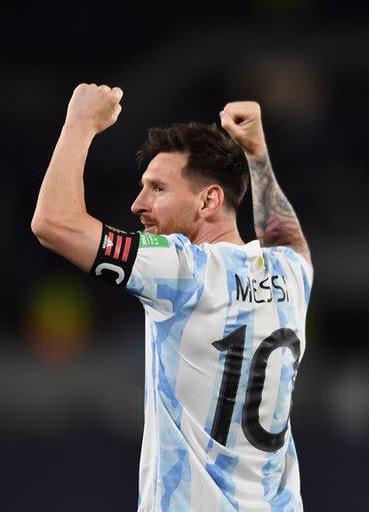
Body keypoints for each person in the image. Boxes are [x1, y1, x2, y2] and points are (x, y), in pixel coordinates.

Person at [31, 83, 313, 511]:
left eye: (157, 189)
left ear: (209, 200)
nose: (137, 203)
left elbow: (53, 223)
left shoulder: (184, 270)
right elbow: (286, 238)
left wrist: (80, 122)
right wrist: (256, 153)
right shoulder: (291, 275)